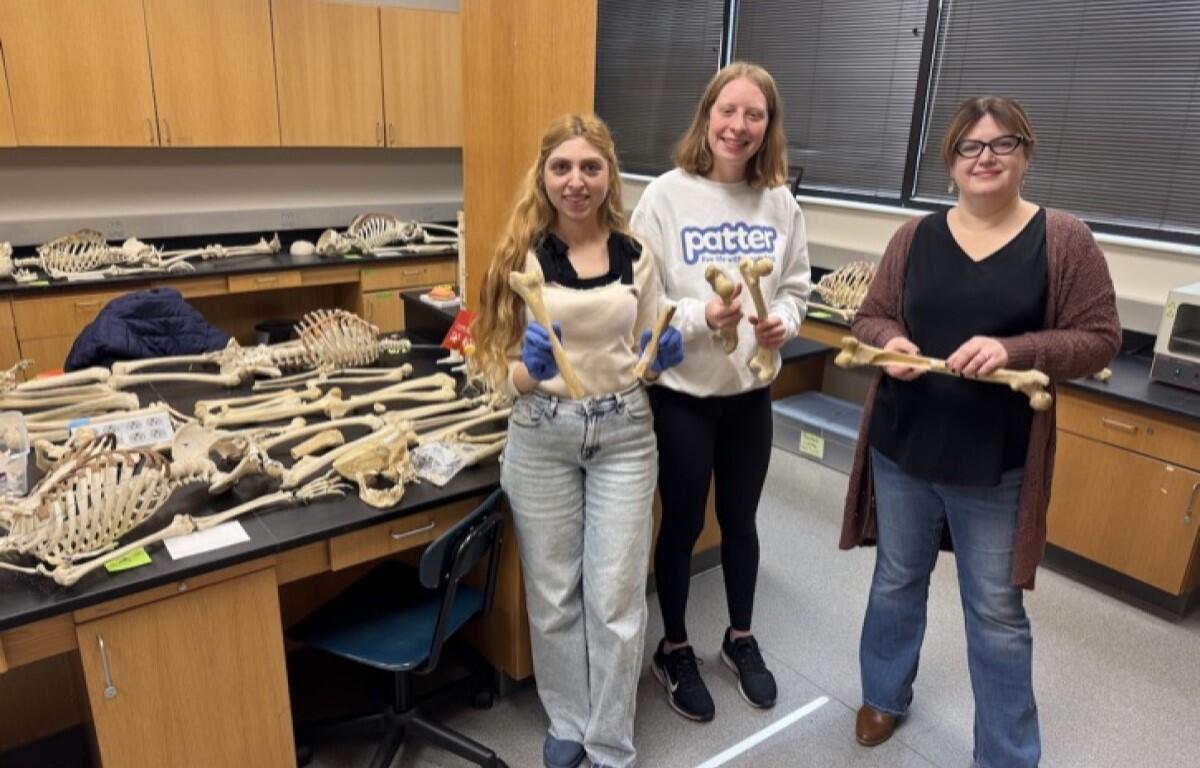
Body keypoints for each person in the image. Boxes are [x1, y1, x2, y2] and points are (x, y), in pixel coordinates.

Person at [841, 96, 1121, 767]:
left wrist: (1015, 350)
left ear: (1026, 153)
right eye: (971, 146)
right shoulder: (914, 237)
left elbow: (1099, 338)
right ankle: (883, 693)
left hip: (996, 465)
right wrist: (890, 341)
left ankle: (1006, 754)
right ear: (952, 161)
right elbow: (871, 317)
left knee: (996, 613)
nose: (985, 157)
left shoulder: (1063, 239)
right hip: (904, 448)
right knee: (896, 578)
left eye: (1002, 144)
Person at [471, 113, 683, 768]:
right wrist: (527, 370)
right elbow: (495, 369)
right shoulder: (520, 258)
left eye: (591, 166)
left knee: (616, 597)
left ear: (609, 174)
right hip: (542, 431)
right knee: (554, 592)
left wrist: (660, 356)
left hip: (624, 433)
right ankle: (567, 719)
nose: (576, 181)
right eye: (561, 167)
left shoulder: (637, 254)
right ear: (543, 175)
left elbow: (647, 348)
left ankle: (609, 739)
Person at [631, 62, 811, 722]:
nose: (739, 125)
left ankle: (739, 638)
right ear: (707, 115)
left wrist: (782, 321)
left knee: (741, 521)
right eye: (728, 111)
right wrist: (698, 315)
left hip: (749, 396)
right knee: (681, 524)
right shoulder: (664, 197)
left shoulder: (781, 203)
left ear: (768, 126)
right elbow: (639, 301)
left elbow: (795, 288)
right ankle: (674, 647)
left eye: (754, 115)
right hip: (683, 396)